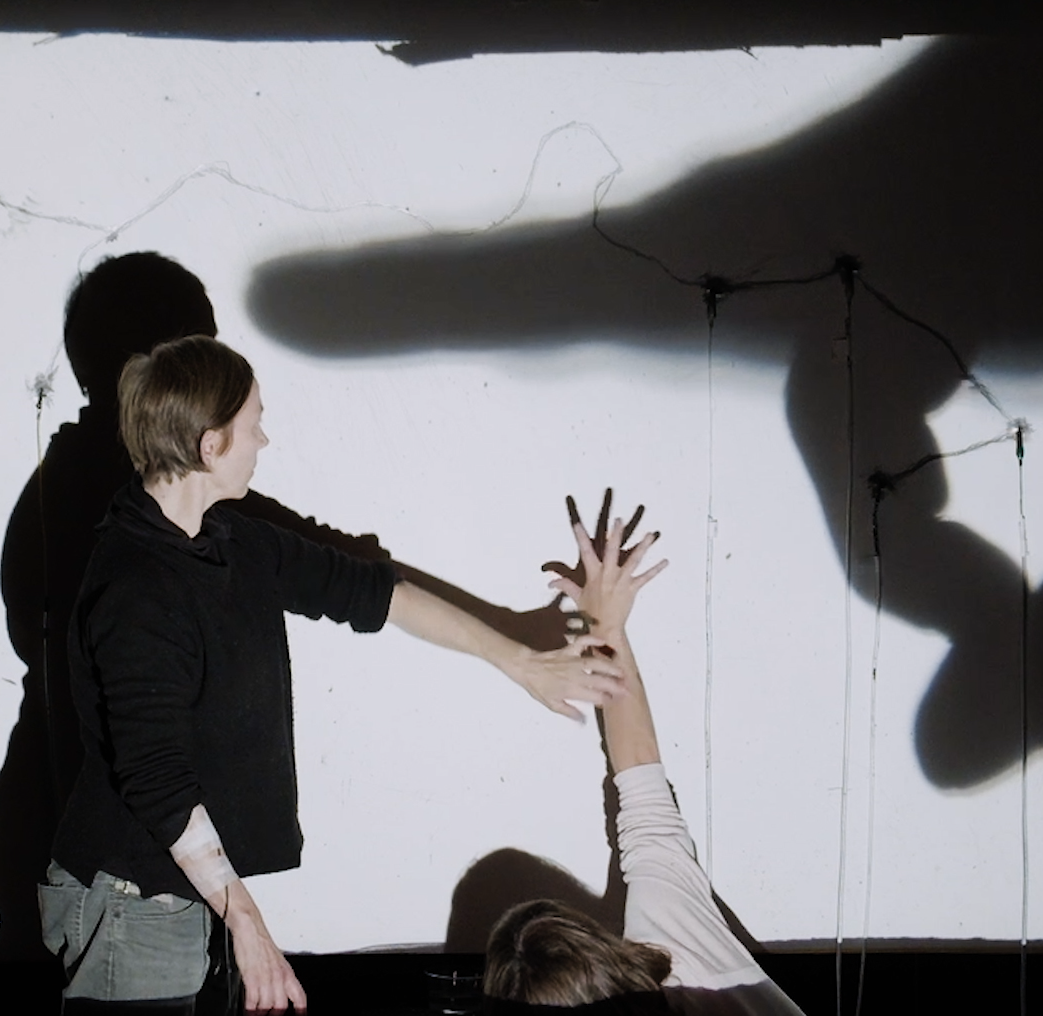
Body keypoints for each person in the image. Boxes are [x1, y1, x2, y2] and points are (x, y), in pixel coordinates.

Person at [41, 335, 628, 1013]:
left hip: (184, 891)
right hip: (130, 900)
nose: (264, 440)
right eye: (254, 425)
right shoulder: (137, 587)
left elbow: (376, 594)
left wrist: (522, 660)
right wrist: (246, 922)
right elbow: (157, 781)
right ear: (211, 445)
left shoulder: (233, 543)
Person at [483, 517, 807, 1015]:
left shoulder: (677, 951)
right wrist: (605, 627)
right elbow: (642, 785)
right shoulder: (681, 954)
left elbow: (644, 795)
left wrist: (605, 629)